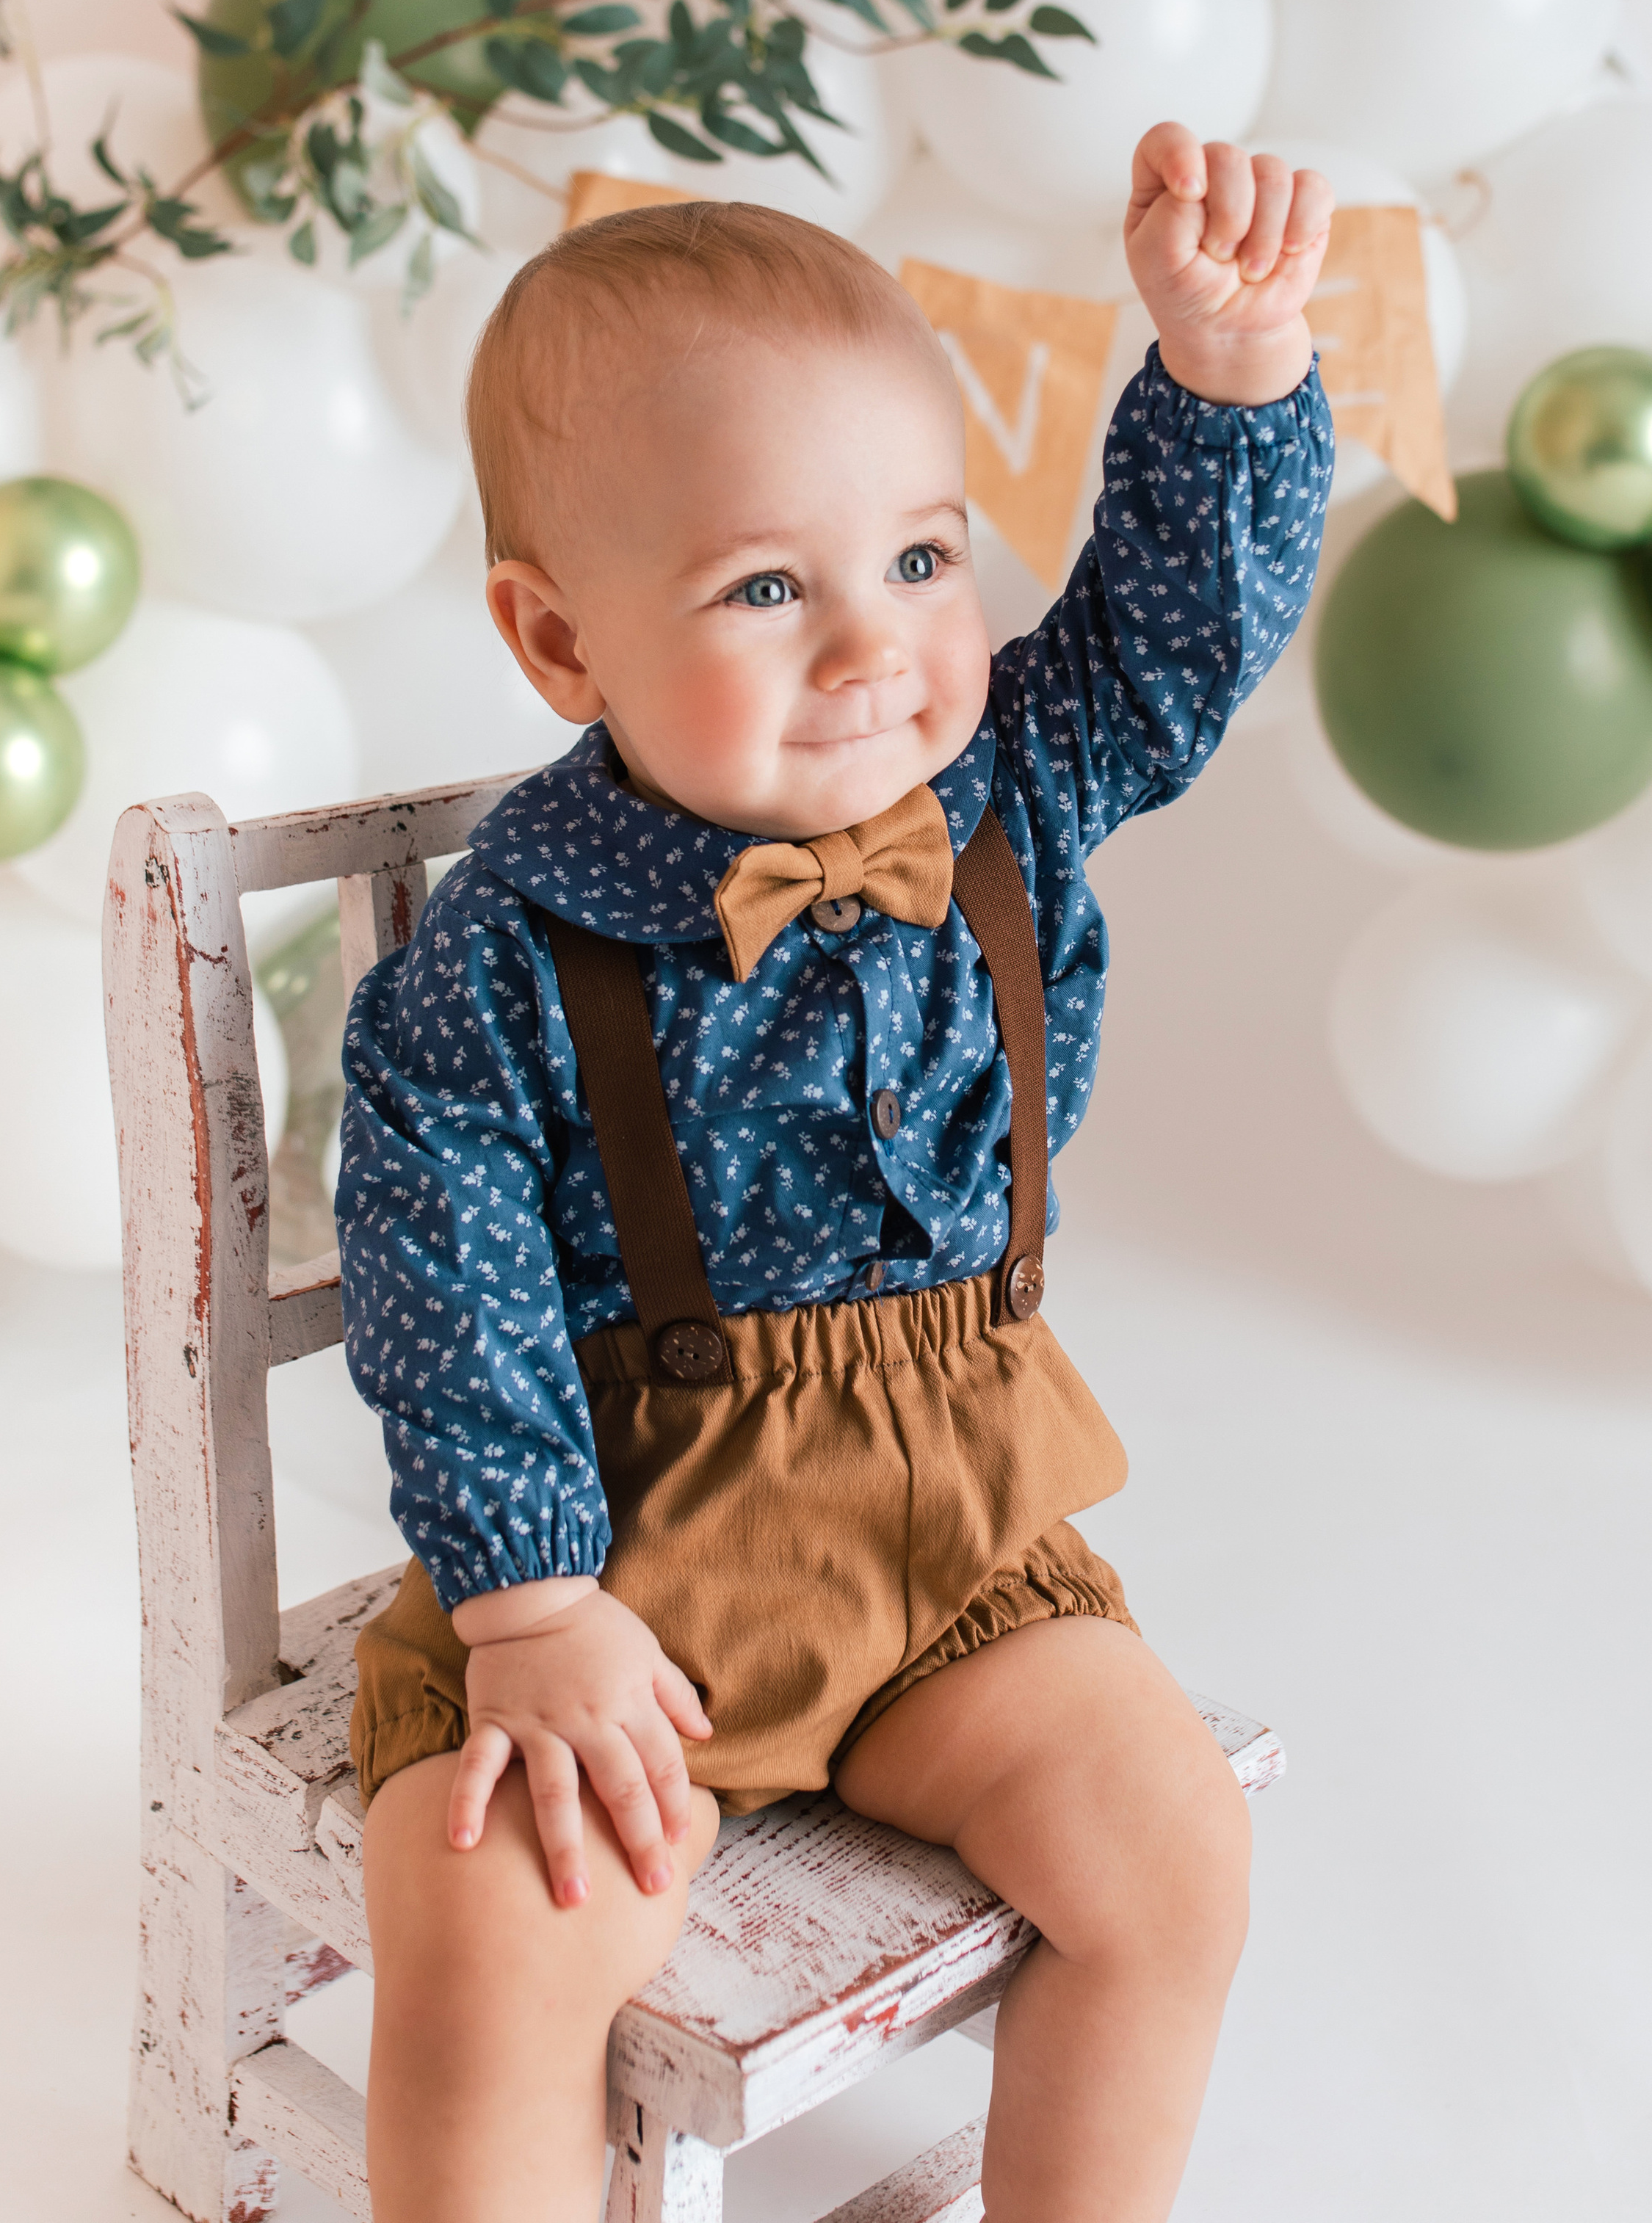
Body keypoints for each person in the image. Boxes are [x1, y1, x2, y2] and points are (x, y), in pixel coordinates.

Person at [336, 122, 1335, 2222]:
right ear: (561, 644)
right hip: (631, 1570)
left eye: (922, 558)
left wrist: (1230, 375)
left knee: (1169, 1847)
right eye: (767, 587)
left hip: (953, 1553)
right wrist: (528, 1605)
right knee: (490, 1949)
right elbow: (449, 1293)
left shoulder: (1008, 789)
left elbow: (1170, 645)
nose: (875, 647)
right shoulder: (505, 969)